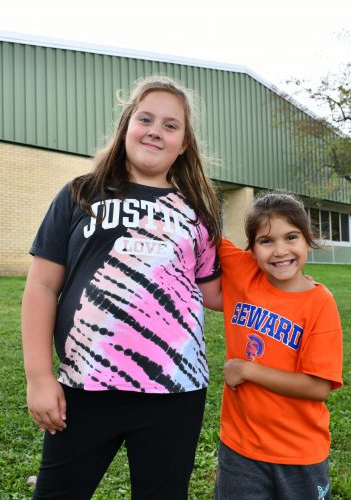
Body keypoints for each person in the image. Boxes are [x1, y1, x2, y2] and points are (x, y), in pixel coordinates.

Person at [21, 75, 222, 499]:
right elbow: (41, 285)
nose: (156, 130)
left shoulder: (198, 210)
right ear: (126, 125)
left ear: (184, 144)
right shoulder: (80, 194)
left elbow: (213, 291)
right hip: (85, 385)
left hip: (175, 391)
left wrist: (286, 282)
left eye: (171, 125)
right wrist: (39, 376)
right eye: (145, 118)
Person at [211, 191, 343, 500]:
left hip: (299, 453)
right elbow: (198, 229)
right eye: (266, 241)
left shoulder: (320, 304)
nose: (280, 250)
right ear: (252, 249)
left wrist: (248, 370)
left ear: (307, 240)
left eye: (291, 237)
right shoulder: (244, 270)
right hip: (240, 447)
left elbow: (318, 387)